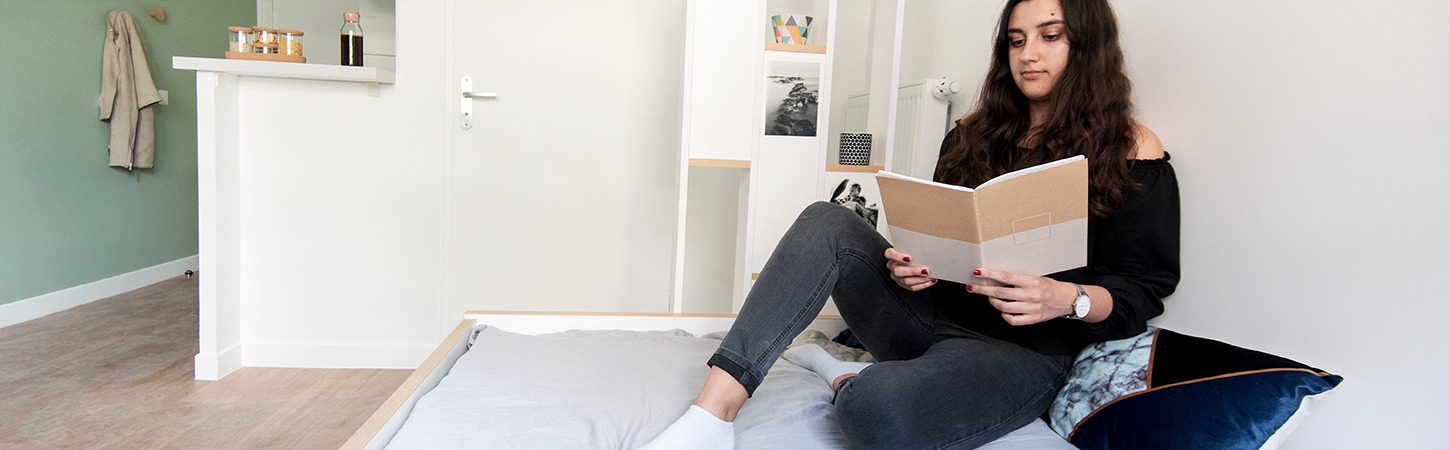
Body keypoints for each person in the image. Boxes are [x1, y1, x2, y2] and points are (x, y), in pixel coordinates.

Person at [642, 0, 1179, 448]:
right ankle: (711, 415)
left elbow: (1145, 288)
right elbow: (940, 234)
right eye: (1016, 41)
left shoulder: (1133, 148)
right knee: (827, 220)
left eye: (1050, 36)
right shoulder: (972, 132)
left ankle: (846, 375)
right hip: (928, 315)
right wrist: (909, 265)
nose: (1029, 54)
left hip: (1019, 353)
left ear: (1087, 44)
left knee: (878, 412)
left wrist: (1067, 299)